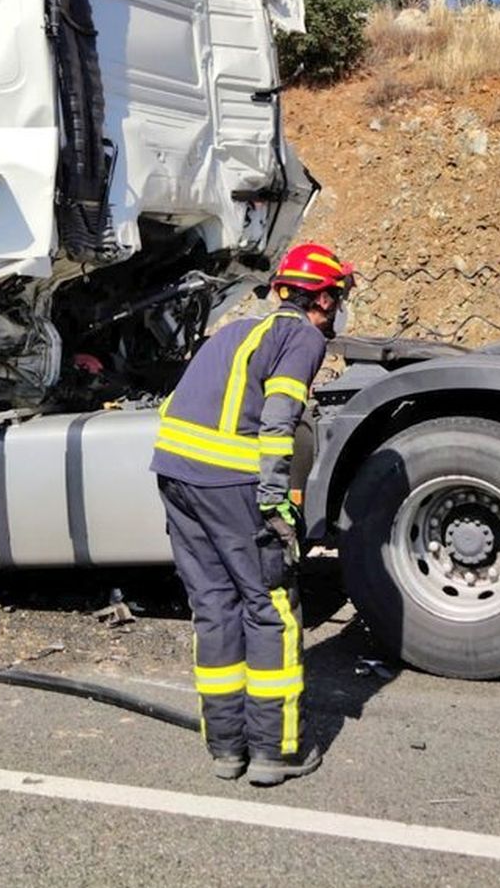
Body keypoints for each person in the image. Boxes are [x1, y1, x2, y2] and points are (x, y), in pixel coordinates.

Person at [150, 242, 353, 785]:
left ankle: (226, 750)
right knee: (269, 606)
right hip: (232, 484)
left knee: (214, 606)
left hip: (176, 477)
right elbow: (281, 413)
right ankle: (275, 751)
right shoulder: (302, 336)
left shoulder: (235, 332)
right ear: (325, 300)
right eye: (337, 296)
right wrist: (274, 497)